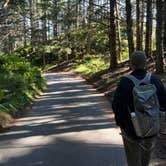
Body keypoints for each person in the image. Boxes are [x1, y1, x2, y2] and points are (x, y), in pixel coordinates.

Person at [112, 51, 166, 166]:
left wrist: (121, 123)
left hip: (131, 130)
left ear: (131, 64)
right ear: (145, 63)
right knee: (146, 159)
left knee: (133, 161)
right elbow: (164, 103)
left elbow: (117, 106)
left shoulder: (125, 82)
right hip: (151, 128)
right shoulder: (155, 80)